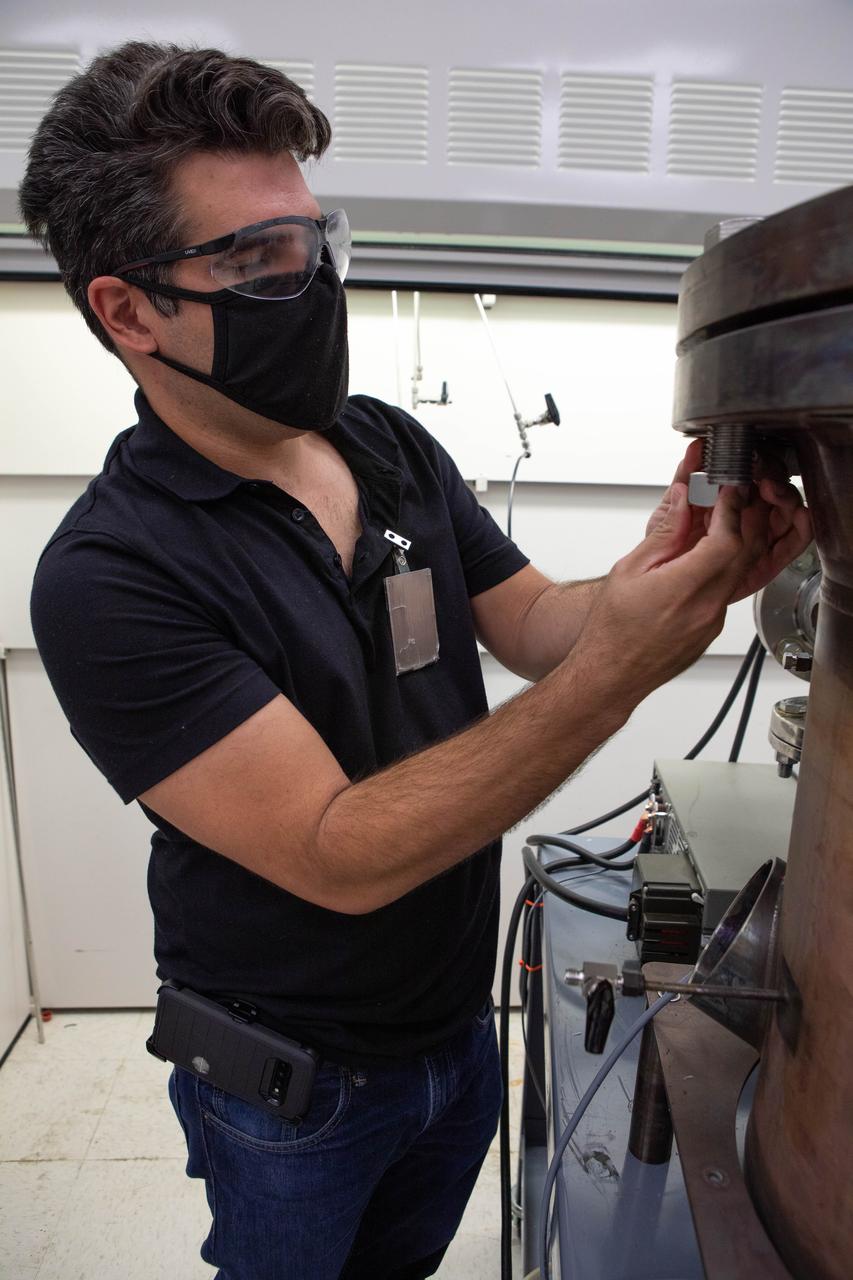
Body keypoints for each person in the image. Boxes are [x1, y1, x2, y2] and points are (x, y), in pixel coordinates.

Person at [19, 41, 811, 1280]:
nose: (311, 281)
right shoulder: (112, 575)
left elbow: (536, 620)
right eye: (255, 259)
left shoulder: (379, 446)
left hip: (452, 1031)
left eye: (315, 238)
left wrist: (667, 565)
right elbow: (339, 850)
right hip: (292, 1087)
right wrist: (623, 668)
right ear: (127, 310)